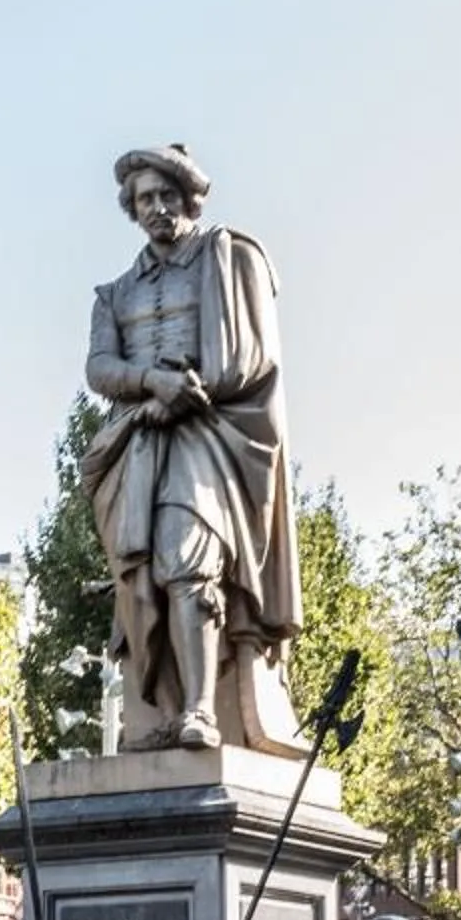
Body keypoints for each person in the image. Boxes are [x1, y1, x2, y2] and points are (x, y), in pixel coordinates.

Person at [83, 144, 305, 755]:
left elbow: (254, 354)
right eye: (144, 200)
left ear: (188, 199)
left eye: (167, 197)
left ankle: (201, 713)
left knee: (188, 561)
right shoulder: (115, 293)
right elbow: (99, 367)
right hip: (139, 441)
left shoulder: (225, 258)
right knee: (144, 579)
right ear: (132, 209)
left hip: (211, 436)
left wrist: (190, 390)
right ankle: (159, 713)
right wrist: (152, 384)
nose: (157, 209)